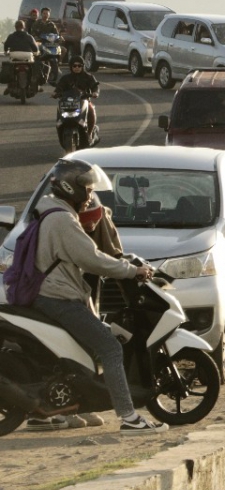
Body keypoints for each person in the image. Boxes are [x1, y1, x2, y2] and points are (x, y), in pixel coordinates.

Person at [30, 159, 166, 435]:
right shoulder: (62, 220)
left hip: (52, 295)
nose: (91, 196)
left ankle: (63, 409)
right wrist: (132, 271)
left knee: (83, 349)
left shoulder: (50, 209)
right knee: (111, 348)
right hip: (60, 299)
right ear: (71, 188)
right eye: (88, 189)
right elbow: (93, 260)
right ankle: (128, 417)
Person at [52, 56, 100, 133]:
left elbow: (95, 86)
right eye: (74, 66)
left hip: (84, 101)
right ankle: (60, 128)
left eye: (79, 66)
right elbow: (59, 87)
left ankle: (90, 133)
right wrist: (55, 93)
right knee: (59, 109)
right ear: (71, 67)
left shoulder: (89, 77)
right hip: (67, 103)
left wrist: (95, 92)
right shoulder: (65, 78)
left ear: (82, 66)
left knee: (91, 110)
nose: (77, 67)